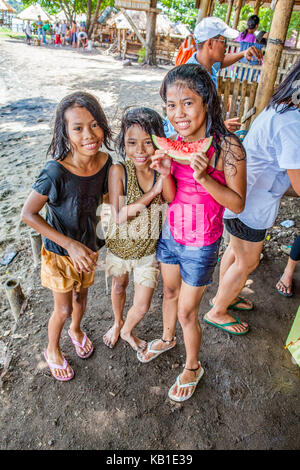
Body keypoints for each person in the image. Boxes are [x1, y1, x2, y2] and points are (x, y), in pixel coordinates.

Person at [138, 64, 247, 402]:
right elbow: (170, 197)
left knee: (188, 311)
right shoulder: (174, 143)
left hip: (202, 244)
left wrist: (205, 178)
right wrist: (166, 173)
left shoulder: (229, 149)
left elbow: (238, 204)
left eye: (187, 103)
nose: (178, 113)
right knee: (169, 293)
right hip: (172, 234)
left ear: (206, 102)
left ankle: (192, 366)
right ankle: (168, 338)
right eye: (171, 105)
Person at [21, 92, 113, 381]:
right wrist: (69, 244)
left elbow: (107, 205)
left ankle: (76, 329)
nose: (89, 134)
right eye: (78, 128)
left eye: (95, 124)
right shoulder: (54, 172)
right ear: (65, 132)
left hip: (88, 250)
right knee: (61, 309)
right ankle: (52, 349)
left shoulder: (105, 162)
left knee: (82, 297)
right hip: (60, 254)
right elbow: (28, 214)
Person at [206, 60, 300, 334]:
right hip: (251, 203)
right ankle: (218, 310)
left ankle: (225, 296)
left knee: (237, 252)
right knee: (248, 261)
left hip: (240, 197)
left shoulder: (281, 107)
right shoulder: (292, 124)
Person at [103, 107, 175, 351]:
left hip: (147, 249)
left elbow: (170, 198)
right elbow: (119, 215)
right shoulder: (119, 170)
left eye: (147, 142)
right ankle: (117, 322)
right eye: (132, 142)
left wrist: (165, 174)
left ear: (158, 141)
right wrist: (153, 192)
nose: (140, 151)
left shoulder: (160, 168)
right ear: (123, 142)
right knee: (119, 287)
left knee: (143, 305)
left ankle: (125, 331)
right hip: (120, 247)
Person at [163, 17, 263, 137]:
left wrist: (243, 53)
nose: (226, 47)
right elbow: (185, 118)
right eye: (223, 41)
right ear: (210, 43)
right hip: (179, 135)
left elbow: (222, 62)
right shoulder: (191, 77)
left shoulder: (207, 64)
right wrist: (219, 128)